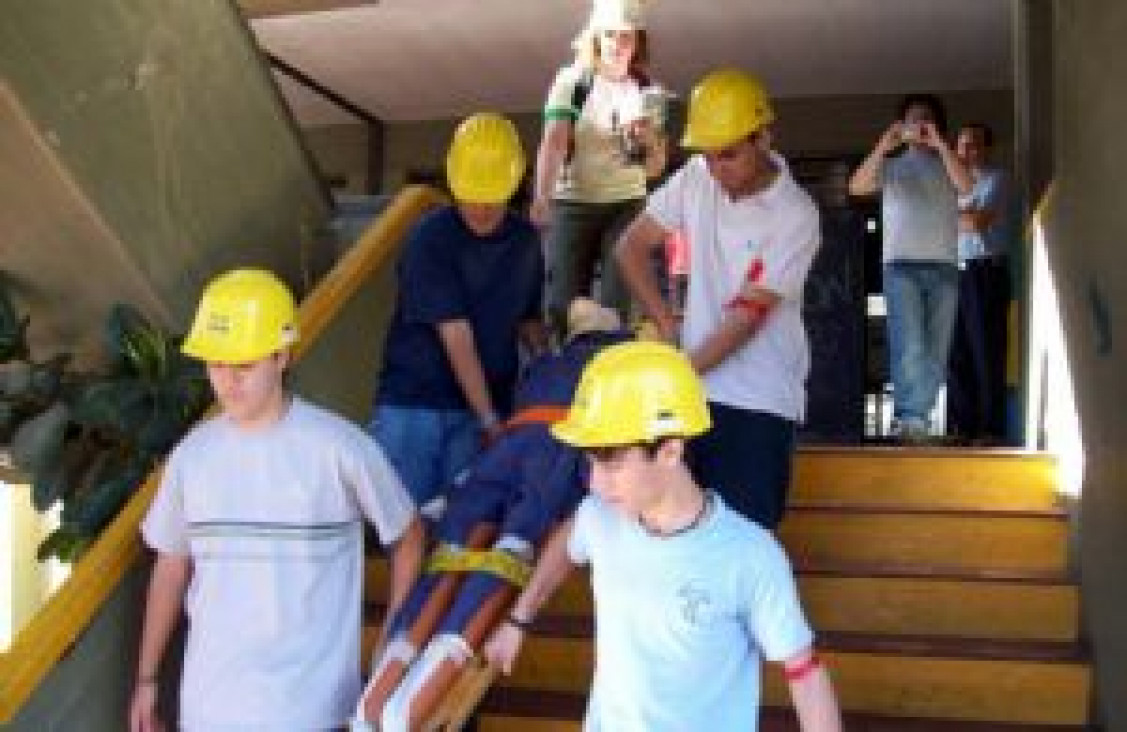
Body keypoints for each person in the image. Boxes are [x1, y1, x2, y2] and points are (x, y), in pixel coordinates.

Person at [484, 341, 843, 731]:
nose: (596, 484)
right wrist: (519, 619)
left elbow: (805, 676)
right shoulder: (599, 517)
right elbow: (569, 544)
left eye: (614, 463)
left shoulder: (750, 555)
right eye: (589, 462)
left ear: (670, 452)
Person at [128, 268, 425, 732]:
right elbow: (171, 567)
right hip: (208, 710)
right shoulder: (192, 456)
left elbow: (408, 536)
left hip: (310, 712)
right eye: (215, 364)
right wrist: (146, 679)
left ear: (282, 355)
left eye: (243, 365)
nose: (227, 381)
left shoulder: (340, 448)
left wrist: (391, 641)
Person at [353, 299, 629, 731]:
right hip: (556, 451)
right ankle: (408, 704)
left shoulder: (547, 363)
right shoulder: (622, 366)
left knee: (451, 553)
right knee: (513, 548)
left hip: (506, 449)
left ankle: (380, 697)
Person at [616, 68, 820, 529]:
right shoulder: (694, 177)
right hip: (692, 397)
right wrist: (667, 325)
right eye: (708, 156)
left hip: (760, 402)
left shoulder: (796, 214)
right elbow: (629, 247)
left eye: (728, 155)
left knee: (743, 544)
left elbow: (746, 319)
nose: (716, 168)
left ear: (763, 138)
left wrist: (678, 370)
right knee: (674, 538)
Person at [370, 112, 547, 510]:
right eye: (471, 195)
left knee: (466, 530)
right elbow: (456, 333)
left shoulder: (525, 243)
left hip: (486, 407)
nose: (481, 208)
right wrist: (488, 419)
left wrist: (550, 368)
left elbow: (529, 321)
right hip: (415, 405)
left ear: (513, 184)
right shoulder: (429, 237)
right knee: (406, 524)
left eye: (492, 196)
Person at [533, 0, 668, 337]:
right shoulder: (573, 82)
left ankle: (610, 368)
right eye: (610, 36)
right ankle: (563, 368)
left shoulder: (647, 91)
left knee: (616, 303)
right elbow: (554, 142)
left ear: (638, 41)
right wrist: (542, 197)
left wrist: (648, 139)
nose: (618, 45)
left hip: (627, 203)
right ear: (595, 38)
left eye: (627, 37)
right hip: (573, 201)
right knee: (562, 301)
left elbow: (653, 169)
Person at [848, 94, 972, 442]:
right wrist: (882, 146)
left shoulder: (949, 162)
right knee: (909, 343)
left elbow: (966, 186)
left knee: (936, 347)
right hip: (899, 266)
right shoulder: (891, 165)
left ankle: (918, 418)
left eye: (926, 119)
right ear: (901, 126)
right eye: (912, 120)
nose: (919, 126)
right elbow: (856, 186)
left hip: (944, 265)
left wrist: (941, 145)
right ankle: (907, 417)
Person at [947, 122, 1011, 444]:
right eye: (962, 145)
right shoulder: (948, 184)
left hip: (983, 272)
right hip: (951, 273)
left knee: (985, 349)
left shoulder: (996, 179)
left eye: (975, 145)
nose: (967, 151)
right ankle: (961, 428)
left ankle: (990, 429)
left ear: (986, 149)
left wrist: (951, 217)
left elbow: (976, 223)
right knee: (955, 351)